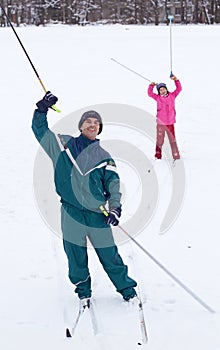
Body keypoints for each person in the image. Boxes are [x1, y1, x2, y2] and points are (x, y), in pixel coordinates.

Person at [32, 92, 137, 304]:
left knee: (109, 254)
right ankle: (83, 291)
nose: (92, 125)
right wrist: (42, 109)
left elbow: (113, 185)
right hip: (71, 212)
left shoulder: (104, 157)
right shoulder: (63, 146)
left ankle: (127, 289)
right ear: (80, 126)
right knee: (75, 254)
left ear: (99, 129)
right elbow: (40, 130)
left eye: (97, 123)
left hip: (97, 214)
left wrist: (115, 207)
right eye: (88, 121)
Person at [148, 75, 182, 160]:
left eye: (163, 89)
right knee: (160, 140)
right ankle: (158, 155)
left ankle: (176, 155)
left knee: (172, 140)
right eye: (160, 90)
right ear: (159, 92)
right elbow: (150, 93)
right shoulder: (158, 98)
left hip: (170, 123)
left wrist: (176, 80)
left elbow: (179, 89)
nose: (162, 91)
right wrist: (151, 86)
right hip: (160, 124)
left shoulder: (172, 96)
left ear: (166, 89)